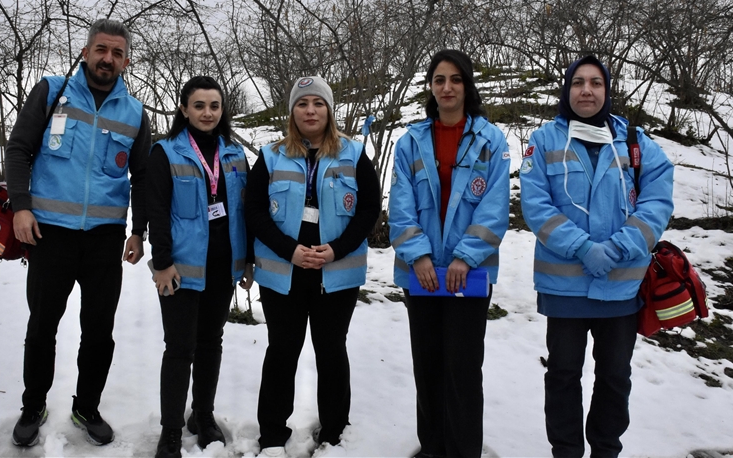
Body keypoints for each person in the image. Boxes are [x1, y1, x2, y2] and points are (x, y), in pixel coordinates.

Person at [4, 18, 151, 447]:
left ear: (126, 61)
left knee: (99, 332)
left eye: (117, 53)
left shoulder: (135, 112)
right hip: (50, 235)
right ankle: (33, 406)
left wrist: (138, 231)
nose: (108, 58)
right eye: (101, 49)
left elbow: (143, 178)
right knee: (42, 327)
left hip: (105, 240)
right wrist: (21, 206)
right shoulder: (52, 92)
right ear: (86, 53)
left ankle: (87, 407)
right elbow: (19, 149)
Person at [519, 55, 674, 458]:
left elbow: (657, 203)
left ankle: (606, 450)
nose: (586, 90)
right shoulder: (545, 141)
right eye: (578, 82)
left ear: (607, 90)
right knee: (563, 375)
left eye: (596, 83)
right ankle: (566, 451)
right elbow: (536, 205)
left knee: (614, 378)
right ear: (566, 89)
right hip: (564, 289)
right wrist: (583, 247)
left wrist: (619, 247)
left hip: (620, 289)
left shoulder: (634, 142)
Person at [246, 75, 380, 456]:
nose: (310, 110)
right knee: (282, 350)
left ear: (329, 110)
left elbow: (369, 210)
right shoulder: (271, 155)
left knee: (331, 349)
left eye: (318, 103)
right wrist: (289, 250)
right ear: (292, 111)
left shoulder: (353, 154)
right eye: (302, 104)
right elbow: (254, 212)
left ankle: (334, 432)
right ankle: (272, 433)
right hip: (283, 274)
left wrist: (336, 250)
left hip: (335, 274)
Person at [388, 49, 510, 458]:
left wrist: (465, 257)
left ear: (467, 85)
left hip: (468, 275)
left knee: (463, 368)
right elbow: (401, 204)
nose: (447, 87)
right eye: (439, 80)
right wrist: (418, 256)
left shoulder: (491, 141)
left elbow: (495, 207)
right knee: (427, 366)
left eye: (456, 79)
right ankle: (432, 447)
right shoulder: (411, 142)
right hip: (420, 273)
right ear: (431, 86)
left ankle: (462, 450)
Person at [147, 76, 254, 457]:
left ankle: (203, 416)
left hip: (223, 267)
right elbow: (157, 211)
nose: (207, 113)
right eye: (199, 106)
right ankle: (171, 430)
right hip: (180, 270)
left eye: (214, 106)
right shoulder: (165, 152)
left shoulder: (235, 154)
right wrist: (162, 264)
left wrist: (247, 261)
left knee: (211, 343)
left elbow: (245, 211)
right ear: (184, 109)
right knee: (179, 348)